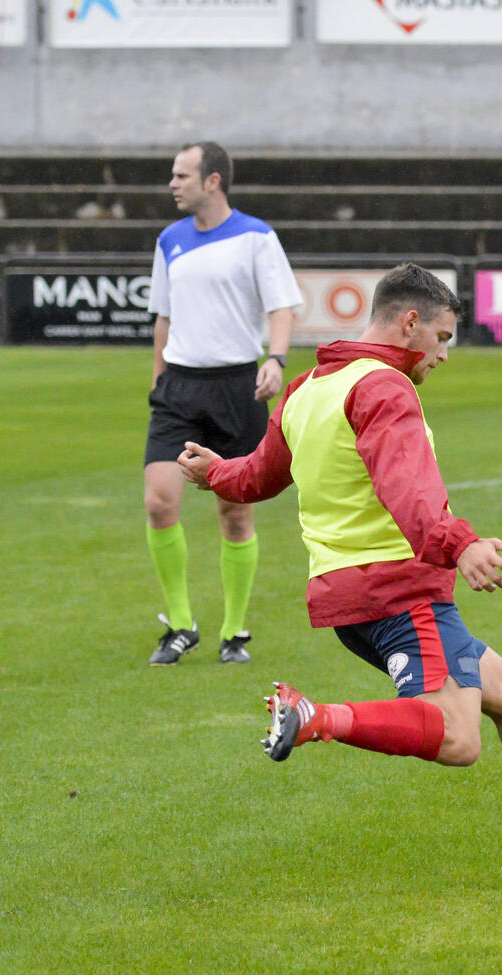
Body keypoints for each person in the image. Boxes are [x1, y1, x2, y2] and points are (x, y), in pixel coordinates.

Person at [175, 263, 502, 885]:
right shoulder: (384, 388)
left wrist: (215, 472)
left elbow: (260, 474)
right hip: (398, 592)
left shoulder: (309, 387)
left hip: (348, 596)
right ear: (411, 322)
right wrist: (460, 543)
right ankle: (313, 716)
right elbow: (409, 490)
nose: (444, 355)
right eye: (442, 338)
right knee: (459, 738)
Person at [143, 141, 303, 666]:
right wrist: (158, 381)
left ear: (212, 181)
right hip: (179, 388)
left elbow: (282, 307)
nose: (173, 183)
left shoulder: (256, 237)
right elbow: (164, 318)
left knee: (234, 513)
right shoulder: (170, 239)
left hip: (238, 387)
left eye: (182, 175)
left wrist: (275, 359)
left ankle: (234, 632)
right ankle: (180, 625)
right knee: (159, 503)